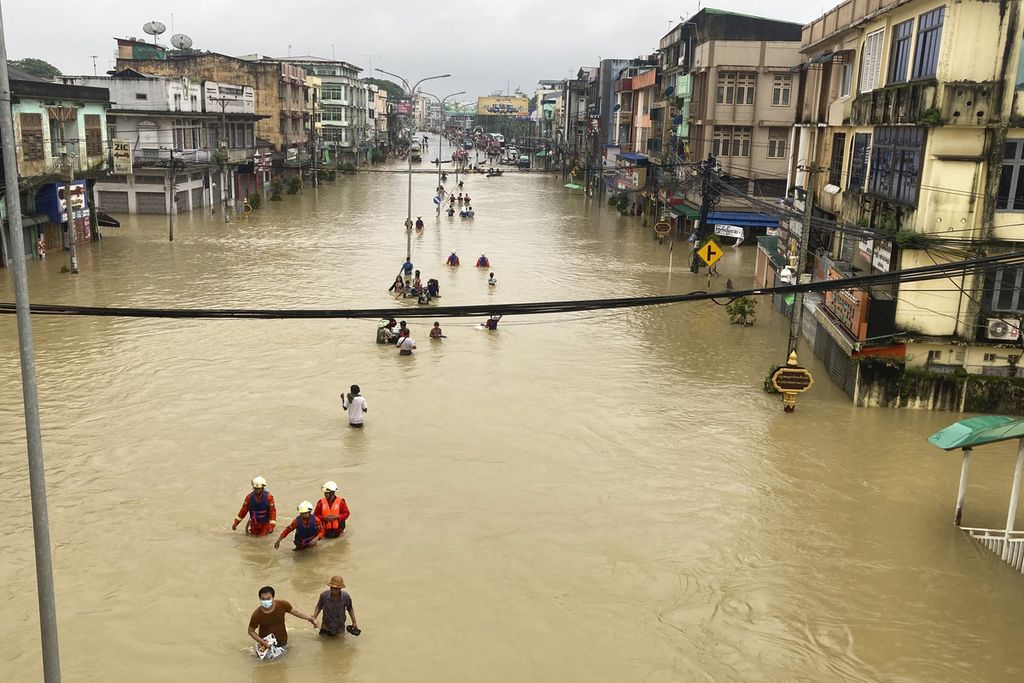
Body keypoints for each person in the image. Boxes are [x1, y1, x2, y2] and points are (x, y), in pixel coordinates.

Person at [248, 585, 317, 657]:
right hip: (266, 645)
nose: (266, 601)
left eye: (268, 598)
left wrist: (310, 619)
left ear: (273, 598)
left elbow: (296, 612)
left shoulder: (282, 605)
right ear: (260, 599)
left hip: (283, 642)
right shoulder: (257, 614)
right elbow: (251, 631)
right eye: (263, 599)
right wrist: (262, 642)